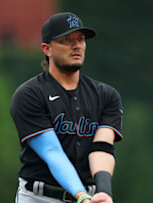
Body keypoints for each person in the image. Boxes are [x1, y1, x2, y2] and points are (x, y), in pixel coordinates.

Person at [10, 12, 123, 203]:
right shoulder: (29, 95)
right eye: (66, 40)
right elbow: (52, 152)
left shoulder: (106, 95)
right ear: (47, 49)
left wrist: (103, 192)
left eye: (80, 39)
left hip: (90, 196)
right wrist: (82, 196)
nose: (76, 45)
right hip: (40, 197)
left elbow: (101, 148)